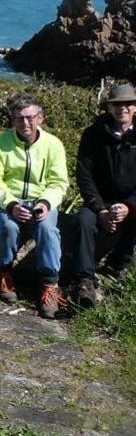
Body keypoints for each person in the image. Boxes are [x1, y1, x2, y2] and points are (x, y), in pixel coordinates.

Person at [0, 94, 68, 319]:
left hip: (42, 200)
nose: (25, 123)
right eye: (19, 118)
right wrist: (10, 204)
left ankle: (49, 284)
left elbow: (59, 182)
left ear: (40, 118)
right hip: (8, 199)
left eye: (31, 117)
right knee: (8, 228)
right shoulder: (0, 143)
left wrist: (45, 202)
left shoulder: (53, 145)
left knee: (48, 229)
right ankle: (3, 273)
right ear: (13, 120)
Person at [65, 83, 136, 308]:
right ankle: (84, 279)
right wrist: (100, 209)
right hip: (100, 200)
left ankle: (117, 265)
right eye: (116, 104)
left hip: (131, 200)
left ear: (135, 107)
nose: (122, 108)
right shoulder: (93, 133)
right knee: (84, 221)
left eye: (127, 103)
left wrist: (129, 206)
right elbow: (84, 176)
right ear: (108, 107)